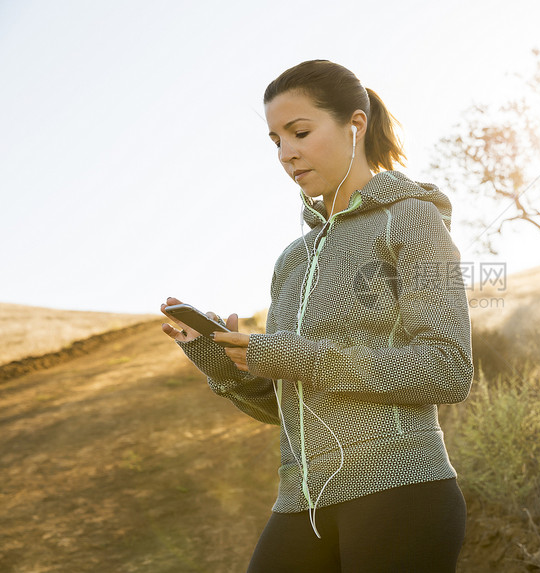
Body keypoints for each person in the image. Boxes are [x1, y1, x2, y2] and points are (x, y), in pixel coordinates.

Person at [159, 59, 474, 573]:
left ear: (355, 124)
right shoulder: (293, 260)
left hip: (400, 492)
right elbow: (287, 408)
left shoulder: (414, 221)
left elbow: (448, 369)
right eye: (275, 141)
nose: (286, 154)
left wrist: (291, 355)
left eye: (299, 132)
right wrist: (221, 362)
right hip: (300, 502)